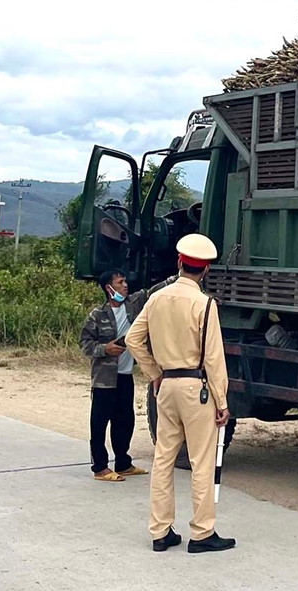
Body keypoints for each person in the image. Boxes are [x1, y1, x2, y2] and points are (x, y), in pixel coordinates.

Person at [125, 234, 235, 554]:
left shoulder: (157, 298)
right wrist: (223, 401)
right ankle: (202, 533)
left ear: (179, 263)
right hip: (196, 389)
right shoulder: (205, 304)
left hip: (167, 386)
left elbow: (134, 339)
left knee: (163, 460)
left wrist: (154, 373)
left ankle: (160, 532)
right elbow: (213, 358)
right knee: (201, 462)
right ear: (206, 271)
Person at [80, 270, 176, 482]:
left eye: (125, 281)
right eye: (120, 282)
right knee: (99, 422)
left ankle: (123, 462)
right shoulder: (97, 315)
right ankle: (100, 468)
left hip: (125, 376)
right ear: (109, 288)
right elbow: (85, 344)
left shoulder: (133, 305)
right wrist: (105, 348)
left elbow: (153, 291)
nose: (125, 285)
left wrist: (177, 277)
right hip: (104, 379)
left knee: (125, 421)